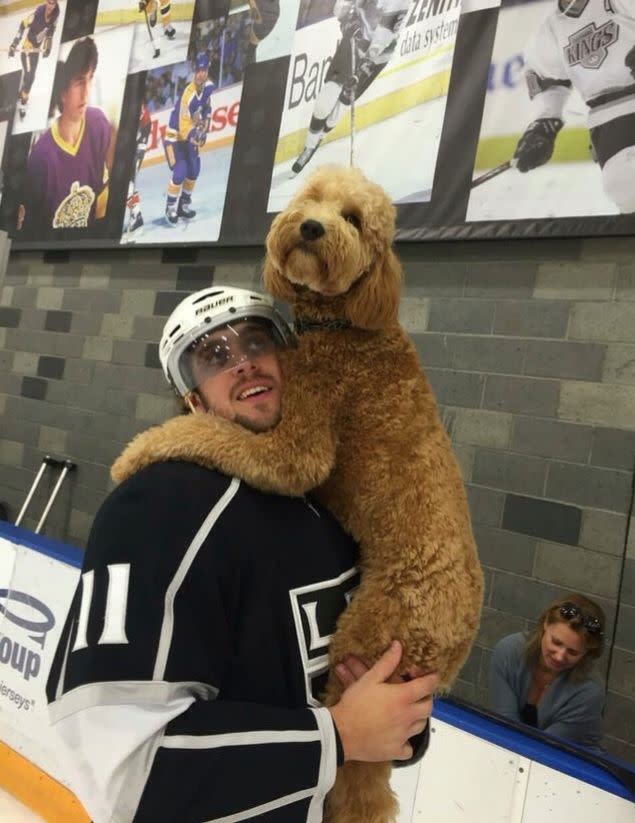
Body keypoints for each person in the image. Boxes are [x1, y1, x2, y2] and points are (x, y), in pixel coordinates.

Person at [46, 285, 438, 822]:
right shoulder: (158, 504)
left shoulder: (325, 506)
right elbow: (120, 767)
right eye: (214, 356)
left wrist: (397, 722)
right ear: (194, 399)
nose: (244, 364)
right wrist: (339, 737)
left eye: (256, 342)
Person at [513, 0, 635, 214]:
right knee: (625, 191)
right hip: (606, 123)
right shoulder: (551, 27)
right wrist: (544, 124)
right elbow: (546, 78)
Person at [292, 0, 409, 175]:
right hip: (355, 39)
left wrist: (365, 66)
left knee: (340, 107)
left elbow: (384, 35)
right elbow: (342, 6)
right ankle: (309, 147)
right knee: (325, 100)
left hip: (376, 58)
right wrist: (346, 17)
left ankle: (320, 137)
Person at [18, 37, 115, 234]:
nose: (86, 92)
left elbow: (104, 198)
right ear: (63, 92)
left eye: (90, 78)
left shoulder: (98, 124)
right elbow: (31, 233)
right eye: (79, 82)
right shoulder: (41, 157)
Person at [489, 593, 606, 752]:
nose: (559, 656)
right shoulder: (508, 652)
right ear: (545, 624)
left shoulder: (590, 690)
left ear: (587, 653)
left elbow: (544, 748)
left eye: (572, 652)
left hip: (569, 762)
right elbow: (505, 726)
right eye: (556, 642)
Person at [163, 52, 214, 225]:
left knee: (194, 169)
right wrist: (196, 135)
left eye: (204, 70)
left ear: (207, 70)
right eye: (198, 70)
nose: (201, 74)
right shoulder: (188, 95)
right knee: (181, 170)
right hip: (174, 138)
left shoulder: (208, 87)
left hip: (188, 136)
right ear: (194, 72)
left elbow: (207, 108)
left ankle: (182, 205)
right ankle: (170, 207)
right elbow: (184, 127)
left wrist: (204, 127)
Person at [9, 0, 60, 121]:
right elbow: (22, 25)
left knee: (31, 78)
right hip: (27, 49)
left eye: (53, 3)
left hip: (36, 52)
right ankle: (23, 103)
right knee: (30, 77)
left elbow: (49, 35)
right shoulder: (37, 14)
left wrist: (48, 47)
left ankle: (22, 92)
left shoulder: (55, 15)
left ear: (56, 4)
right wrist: (14, 44)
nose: (50, 6)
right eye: (48, 2)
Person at [124, 102, 152, 237]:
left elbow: (146, 121)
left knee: (127, 184)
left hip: (133, 145)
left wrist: (142, 144)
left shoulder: (135, 105)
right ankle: (135, 215)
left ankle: (136, 217)